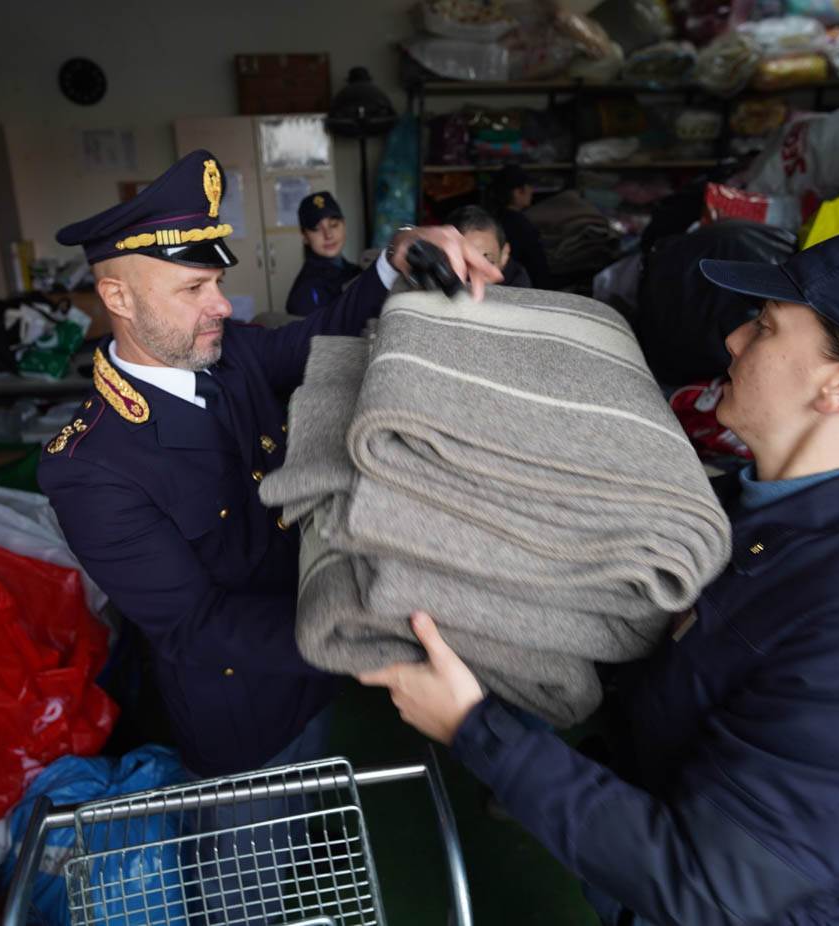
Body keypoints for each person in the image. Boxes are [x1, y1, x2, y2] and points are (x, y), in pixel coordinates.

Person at [360, 224, 839, 925]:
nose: (734, 339)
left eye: (764, 326)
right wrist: (446, 277)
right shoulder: (752, 515)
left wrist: (474, 726)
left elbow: (705, 884)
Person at [39, 149, 499, 779]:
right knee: (256, 864)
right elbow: (197, 627)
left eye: (218, 284)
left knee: (315, 822)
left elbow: (323, 332)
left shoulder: (233, 355)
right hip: (245, 717)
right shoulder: (92, 465)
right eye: (194, 288)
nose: (221, 305)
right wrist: (368, 631)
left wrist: (399, 255)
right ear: (118, 295)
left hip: (316, 679)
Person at [285, 190, 360, 317]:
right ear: (304, 236)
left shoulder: (356, 271)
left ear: (344, 225)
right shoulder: (306, 290)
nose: (328, 235)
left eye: (334, 225)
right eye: (316, 229)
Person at [491, 164, 551, 289]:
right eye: (529, 187)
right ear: (518, 192)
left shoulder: (492, 221)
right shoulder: (521, 225)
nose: (532, 191)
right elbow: (538, 269)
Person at [446, 204, 532, 288]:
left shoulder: (517, 283)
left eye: (487, 263)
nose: (475, 277)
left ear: (504, 255)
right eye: (465, 263)